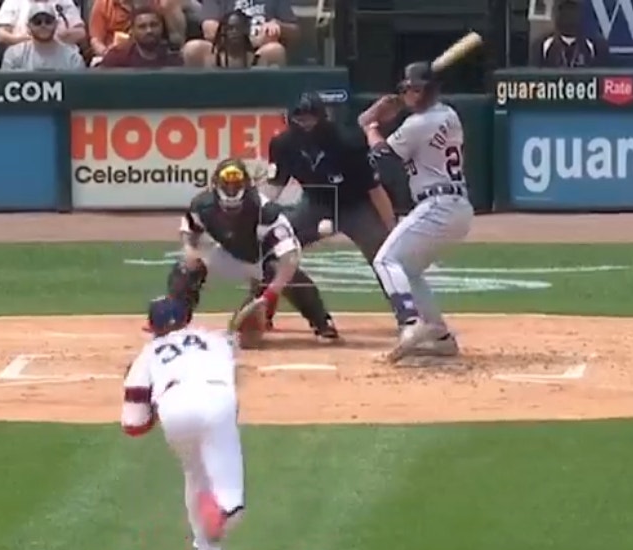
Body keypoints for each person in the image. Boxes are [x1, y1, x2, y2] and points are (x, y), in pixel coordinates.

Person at [357, 62, 471, 362]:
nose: (409, 95)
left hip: (439, 205)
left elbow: (382, 157)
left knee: (385, 260)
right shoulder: (449, 114)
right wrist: (397, 108)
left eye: (414, 90)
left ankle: (411, 324)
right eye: (407, 89)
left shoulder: (419, 124)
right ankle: (439, 335)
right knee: (408, 269)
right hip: (455, 207)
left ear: (426, 90)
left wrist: (371, 125)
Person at [122, 295, 244, 550]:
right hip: (217, 400)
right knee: (230, 498)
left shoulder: (147, 354)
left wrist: (153, 404)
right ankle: (222, 513)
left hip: (174, 407)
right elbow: (234, 355)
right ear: (188, 320)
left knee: (194, 473)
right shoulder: (216, 339)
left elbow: (133, 425)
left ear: (153, 327)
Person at [165, 158, 341, 343]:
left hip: (262, 259)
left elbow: (289, 259)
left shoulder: (265, 211)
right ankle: (174, 321)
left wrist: (271, 294)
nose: (231, 190)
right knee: (185, 268)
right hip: (228, 254)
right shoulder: (202, 205)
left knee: (295, 280)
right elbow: (189, 228)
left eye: (236, 185)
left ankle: (322, 323)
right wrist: (189, 249)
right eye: (227, 185)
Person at [266, 92, 396, 330]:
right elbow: (274, 187)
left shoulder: (347, 142)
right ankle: (260, 311)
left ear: (322, 118)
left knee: (386, 257)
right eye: (300, 118)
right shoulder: (282, 144)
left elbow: (374, 189)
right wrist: (261, 218)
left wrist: (391, 227)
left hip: (355, 205)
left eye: (311, 118)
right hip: (315, 203)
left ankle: (409, 314)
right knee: (269, 250)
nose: (305, 123)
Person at [1, 1, 85, 69]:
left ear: (56, 24)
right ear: (28, 26)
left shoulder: (72, 58)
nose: (43, 25)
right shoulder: (14, 55)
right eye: (37, 22)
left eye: (48, 21)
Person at [531, 0, 609, 67]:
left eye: (572, 8)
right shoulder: (541, 46)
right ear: (556, 12)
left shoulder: (597, 46)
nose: (568, 14)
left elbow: (603, 80)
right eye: (564, 9)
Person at [97, 4, 182, 66]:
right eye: (142, 27)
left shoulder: (173, 60)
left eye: (154, 25)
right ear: (132, 31)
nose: (149, 31)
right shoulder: (116, 59)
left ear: (162, 26)